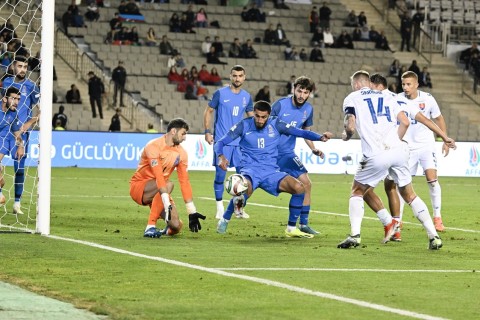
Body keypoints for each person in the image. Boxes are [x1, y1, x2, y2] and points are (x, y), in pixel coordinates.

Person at [337, 71, 455, 250]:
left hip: (376, 153)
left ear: (356, 84)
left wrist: (346, 135)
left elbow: (350, 124)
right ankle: (434, 236)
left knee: (357, 191)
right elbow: (416, 120)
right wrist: (444, 137)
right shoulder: (392, 97)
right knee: (410, 194)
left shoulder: (352, 97)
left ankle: (355, 235)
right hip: (400, 151)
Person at [214, 101, 331, 237]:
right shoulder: (244, 125)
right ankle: (225, 219)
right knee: (242, 189)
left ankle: (291, 229)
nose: (259, 120)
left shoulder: (276, 124)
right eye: (257, 116)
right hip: (250, 170)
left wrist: (320, 137)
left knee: (299, 188)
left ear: (269, 115)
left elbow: (299, 132)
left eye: (263, 117)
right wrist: (221, 156)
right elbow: (220, 142)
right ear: (254, 114)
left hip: (271, 171)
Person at [271, 76, 333, 235]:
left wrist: (313, 148)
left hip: (287, 154)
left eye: (306, 92)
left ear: (309, 93)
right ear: (294, 89)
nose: (301, 95)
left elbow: (306, 132)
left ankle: (303, 224)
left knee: (307, 183)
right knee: (254, 183)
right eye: (299, 91)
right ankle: (236, 207)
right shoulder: (280, 105)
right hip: (270, 153)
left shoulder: (308, 109)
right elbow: (265, 126)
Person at [129, 118, 206, 238]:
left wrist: (192, 211)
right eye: (183, 133)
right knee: (169, 184)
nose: (185, 137)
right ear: (173, 131)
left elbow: (184, 181)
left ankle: (163, 231)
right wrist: (166, 201)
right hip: (140, 187)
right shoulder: (153, 146)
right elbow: (159, 175)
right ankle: (150, 226)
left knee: (176, 226)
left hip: (161, 191)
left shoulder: (181, 154)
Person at [396, 71, 448, 232]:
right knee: (403, 184)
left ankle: (437, 217)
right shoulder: (397, 99)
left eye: (409, 84)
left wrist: (445, 139)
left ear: (416, 84)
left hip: (426, 145)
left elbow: (438, 118)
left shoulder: (427, 98)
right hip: (407, 148)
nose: (405, 87)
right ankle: (398, 219)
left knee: (432, 180)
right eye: (403, 84)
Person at [203, 65, 254, 220]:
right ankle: (219, 208)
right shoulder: (220, 93)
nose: (237, 78)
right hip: (222, 142)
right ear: (230, 77)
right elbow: (208, 111)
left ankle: (238, 209)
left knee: (244, 178)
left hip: (239, 144)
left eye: (240, 76)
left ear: (244, 77)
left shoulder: (247, 96)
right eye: (234, 75)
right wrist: (207, 131)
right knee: (220, 176)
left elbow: (252, 118)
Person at [1, 56, 40, 215]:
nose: (23, 69)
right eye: (20, 66)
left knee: (19, 169)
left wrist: (28, 124)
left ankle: (17, 203)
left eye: (25, 67)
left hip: (20, 132)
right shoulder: (6, 82)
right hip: (4, 130)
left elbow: (40, 110)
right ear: (13, 66)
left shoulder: (31, 86)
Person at [0, 87, 23, 207]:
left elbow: (17, 132)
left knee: (1, 182)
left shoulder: (13, 114)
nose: (16, 102)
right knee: (1, 182)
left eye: (18, 99)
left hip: (2, 140)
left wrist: (21, 146)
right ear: (4, 98)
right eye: (13, 98)